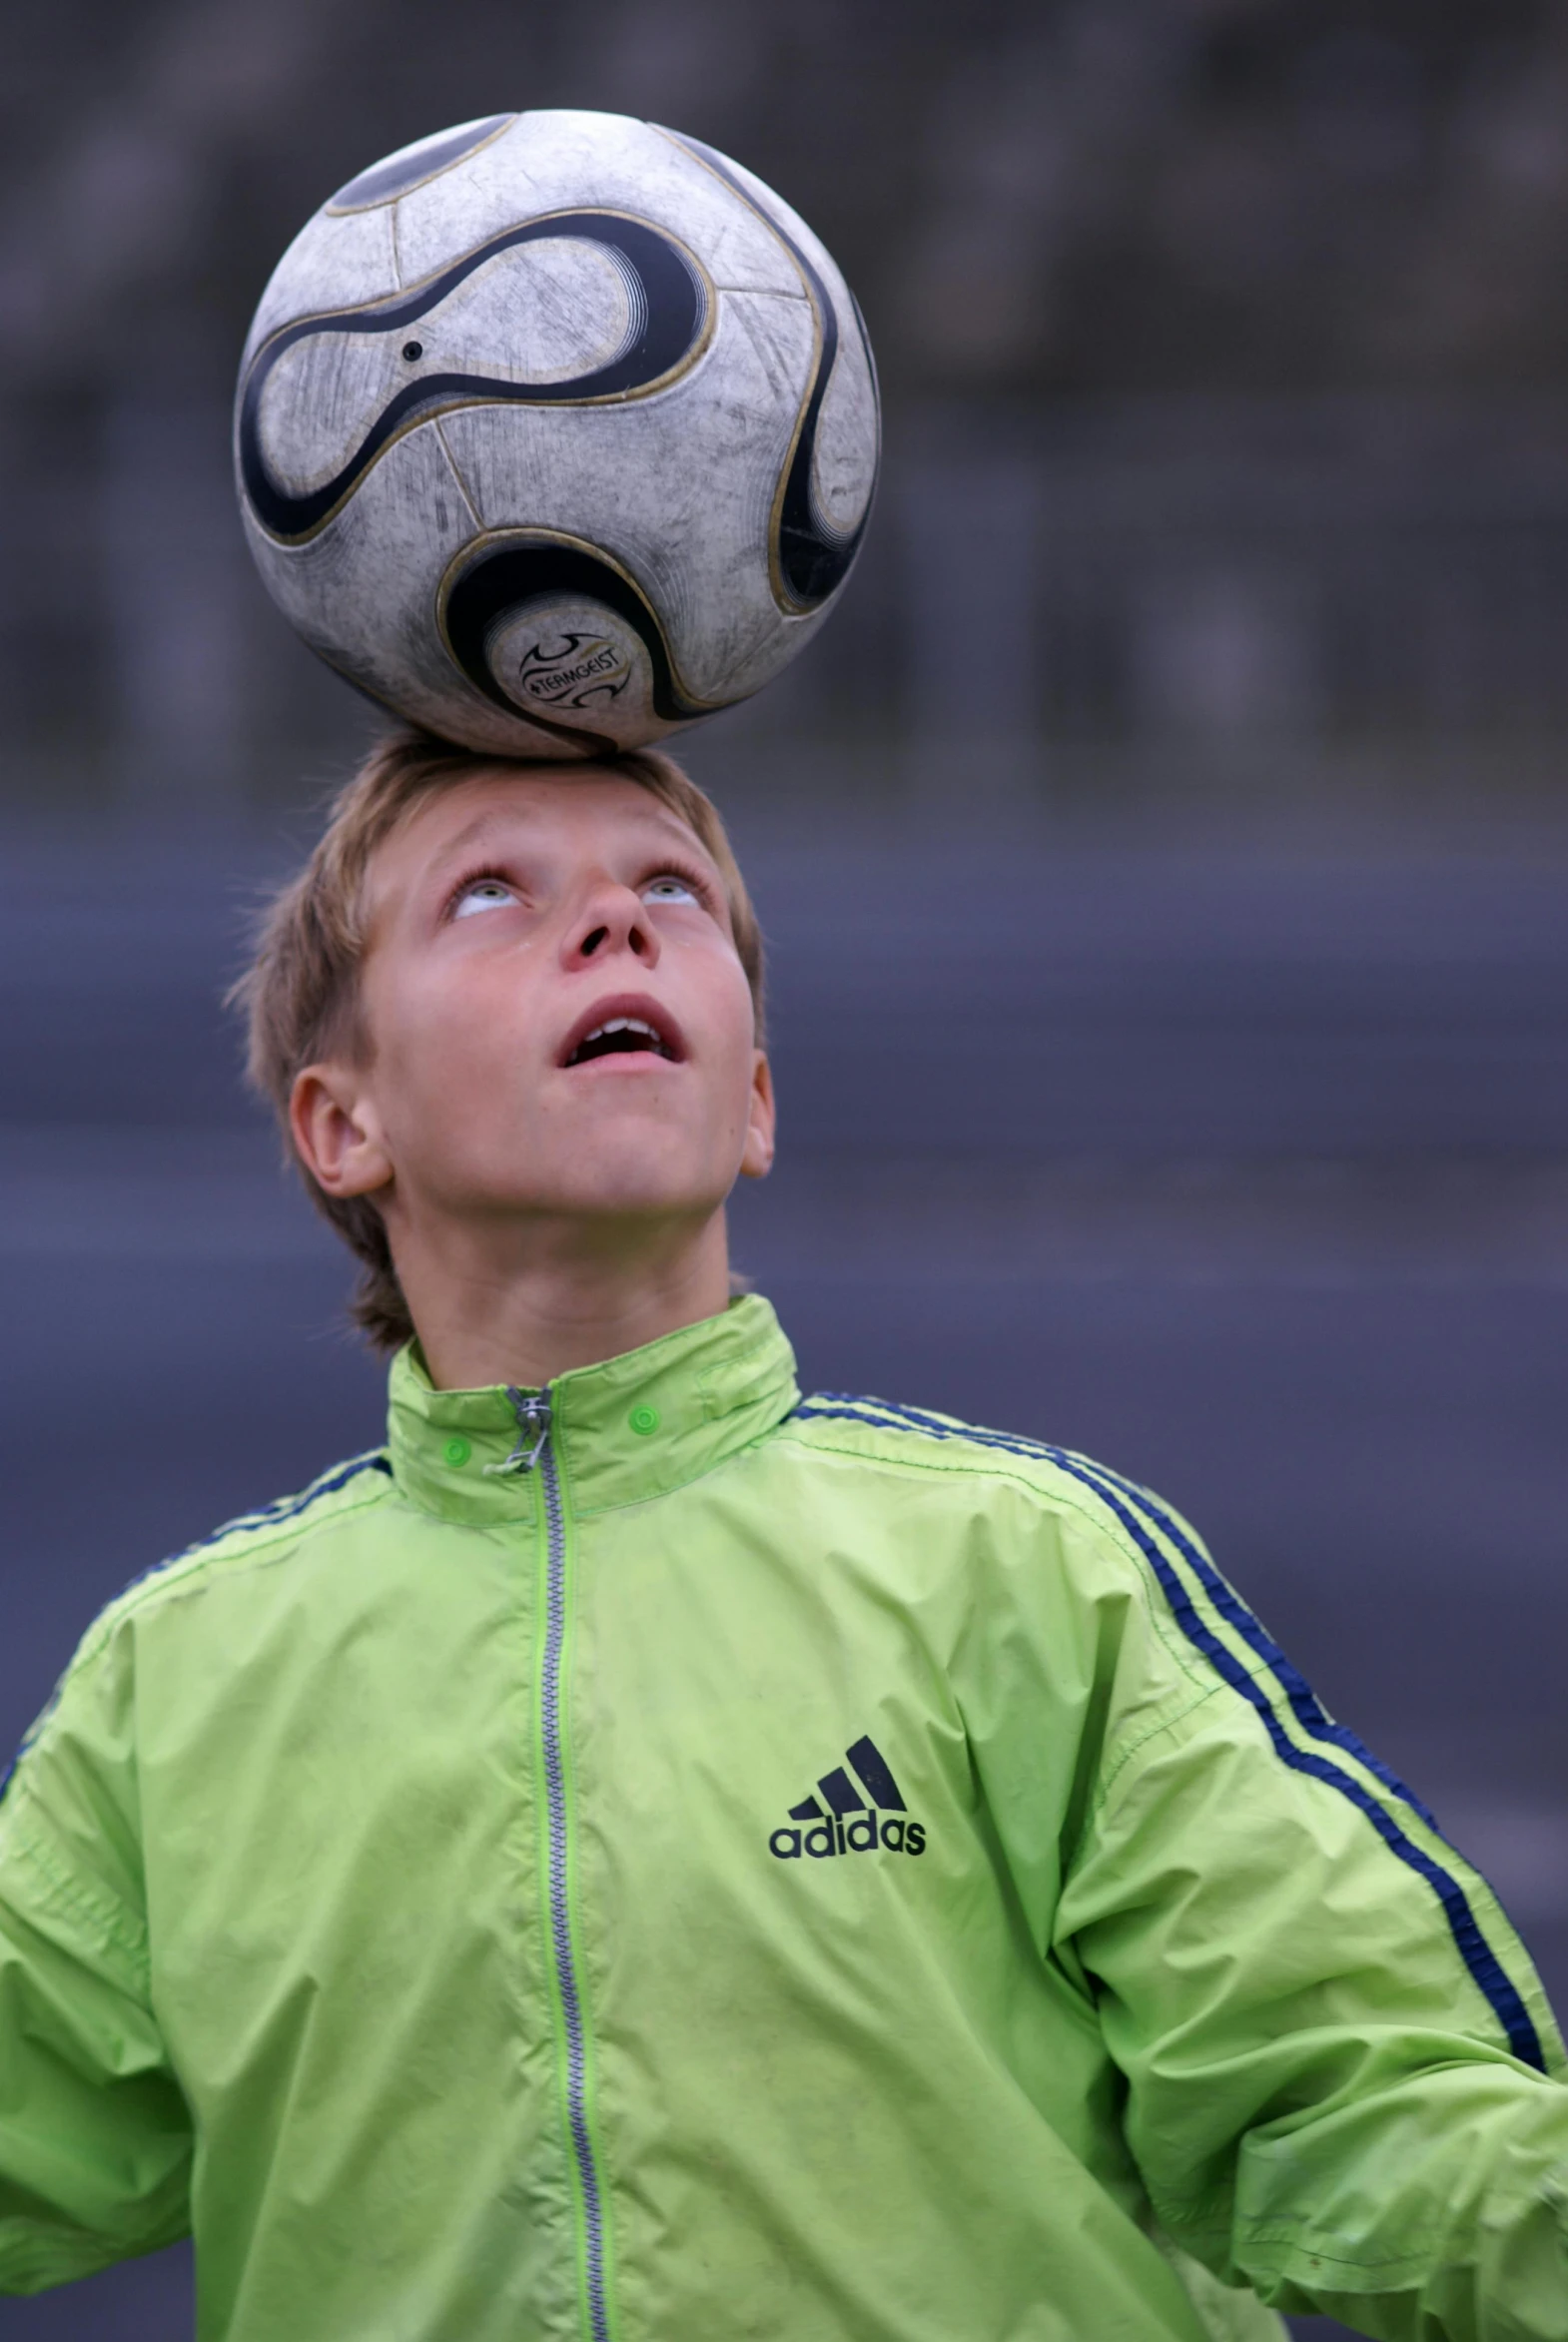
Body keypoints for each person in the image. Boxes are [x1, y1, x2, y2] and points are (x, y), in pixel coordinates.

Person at [1, 729, 1565, 2342]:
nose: (615, 923)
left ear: (750, 1101)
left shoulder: (1028, 1574)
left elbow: (1374, 2114)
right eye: (489, 894)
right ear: (343, 1125)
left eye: (668, 888)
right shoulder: (174, 1687)